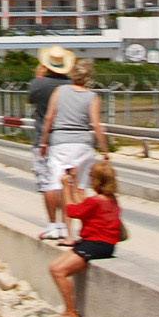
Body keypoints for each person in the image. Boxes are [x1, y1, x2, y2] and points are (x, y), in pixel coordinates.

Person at [40, 58, 111, 241]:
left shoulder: (60, 91)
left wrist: (44, 142)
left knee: (61, 187)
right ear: (89, 77)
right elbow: (96, 125)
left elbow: (49, 118)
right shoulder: (92, 97)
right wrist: (104, 149)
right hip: (82, 143)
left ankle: (67, 234)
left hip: (60, 141)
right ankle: (88, 230)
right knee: (80, 190)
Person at [48, 158, 124, 317]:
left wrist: (65, 188)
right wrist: (73, 183)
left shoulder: (96, 202)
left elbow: (72, 211)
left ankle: (70, 311)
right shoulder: (110, 199)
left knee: (58, 271)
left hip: (96, 245)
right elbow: (83, 205)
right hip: (99, 243)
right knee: (54, 266)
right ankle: (69, 310)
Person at [28, 46, 76, 240]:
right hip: (67, 138)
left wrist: (38, 78)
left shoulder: (39, 85)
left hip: (44, 139)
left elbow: (31, 99)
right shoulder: (71, 85)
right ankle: (66, 226)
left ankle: (52, 225)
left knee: (48, 184)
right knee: (65, 184)